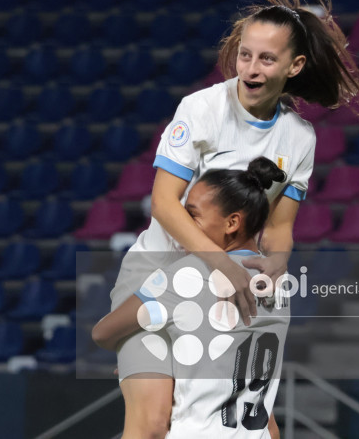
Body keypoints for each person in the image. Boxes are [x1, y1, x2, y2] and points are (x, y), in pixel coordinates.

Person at [109, 0, 359, 439]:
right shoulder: (202, 108)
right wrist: (221, 266)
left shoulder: (299, 138)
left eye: (266, 59)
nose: (251, 68)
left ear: (294, 66)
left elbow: (280, 227)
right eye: (245, 55)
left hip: (228, 292)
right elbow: (164, 204)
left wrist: (276, 265)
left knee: (255, 425)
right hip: (158, 276)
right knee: (152, 424)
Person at [94, 158, 289, 438]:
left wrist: (138, 355)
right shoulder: (278, 283)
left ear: (232, 222)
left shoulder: (189, 275)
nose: (182, 226)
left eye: (192, 215)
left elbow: (104, 332)